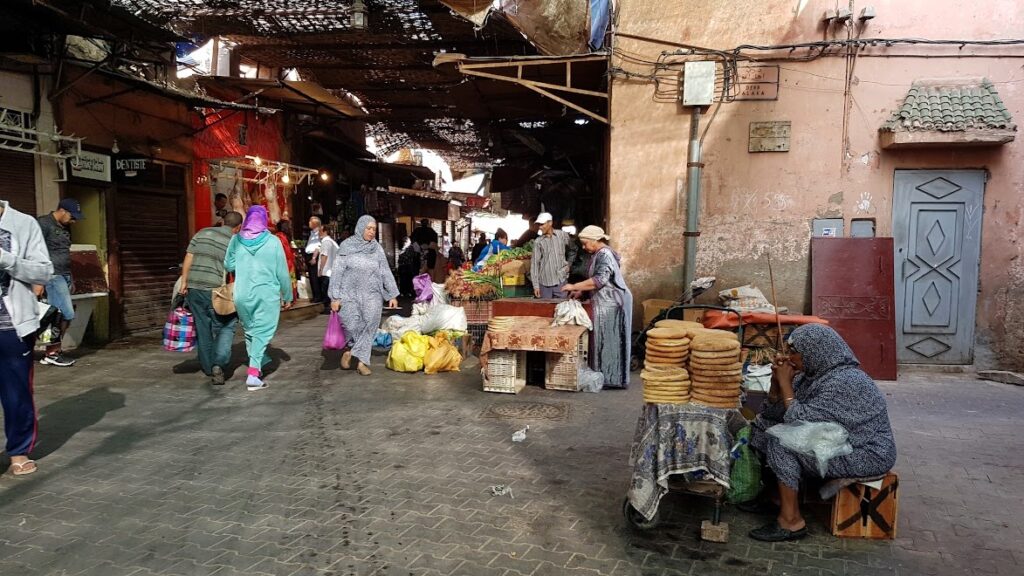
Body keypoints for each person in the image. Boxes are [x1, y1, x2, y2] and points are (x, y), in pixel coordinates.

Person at [745, 323, 897, 542]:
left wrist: (786, 384)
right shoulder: (812, 376)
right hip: (835, 440)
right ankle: (776, 498)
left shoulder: (846, 381)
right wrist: (776, 385)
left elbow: (799, 419)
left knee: (782, 443)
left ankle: (791, 521)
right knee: (761, 428)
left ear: (815, 352)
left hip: (866, 451)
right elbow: (773, 413)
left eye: (794, 353)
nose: (789, 358)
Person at [0, 199, 53, 476]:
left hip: (11, 326)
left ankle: (18, 450)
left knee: (16, 392)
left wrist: (7, 259)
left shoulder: (22, 223)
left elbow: (44, 271)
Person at [224, 206, 293, 391]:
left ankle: (259, 362)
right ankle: (253, 374)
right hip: (266, 294)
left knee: (250, 330)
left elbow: (228, 264)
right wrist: (287, 295)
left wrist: (243, 263)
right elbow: (282, 273)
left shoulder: (236, 240)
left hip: (242, 293)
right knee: (262, 332)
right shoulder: (273, 242)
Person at [561, 225, 632, 389]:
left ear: (595, 241)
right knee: (604, 342)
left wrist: (573, 286)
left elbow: (599, 280)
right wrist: (581, 292)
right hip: (606, 303)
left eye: (585, 244)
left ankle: (611, 379)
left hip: (613, 305)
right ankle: (605, 377)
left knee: (611, 343)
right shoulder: (599, 254)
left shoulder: (605, 255)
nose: (584, 248)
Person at [328, 215, 399, 377]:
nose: (372, 232)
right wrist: (335, 297)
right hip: (349, 294)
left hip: (372, 294)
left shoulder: (376, 248)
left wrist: (392, 294)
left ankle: (362, 362)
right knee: (352, 326)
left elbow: (385, 271)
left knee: (370, 325)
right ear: (360, 228)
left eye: (374, 229)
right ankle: (350, 350)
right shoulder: (346, 246)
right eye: (368, 228)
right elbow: (337, 272)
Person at [178, 211, 242, 385]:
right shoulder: (234, 241)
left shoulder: (202, 232)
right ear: (238, 227)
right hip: (216, 291)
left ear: (222, 222)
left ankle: (207, 367)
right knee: (225, 326)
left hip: (193, 287)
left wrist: (184, 282)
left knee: (202, 327)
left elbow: (189, 257)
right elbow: (234, 267)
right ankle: (218, 364)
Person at [36, 198, 83, 367]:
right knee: (64, 314)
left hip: (64, 276)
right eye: (73, 216)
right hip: (51, 275)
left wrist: (70, 277)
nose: (74, 221)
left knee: (57, 316)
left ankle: (52, 350)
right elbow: (33, 250)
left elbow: (63, 252)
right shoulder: (43, 224)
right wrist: (39, 280)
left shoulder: (64, 227)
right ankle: (52, 352)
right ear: (62, 210)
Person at [530, 212, 576, 299]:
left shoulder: (562, 235)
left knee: (561, 309)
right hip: (544, 283)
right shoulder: (538, 242)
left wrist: (569, 264)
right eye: (539, 224)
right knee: (545, 310)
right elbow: (534, 265)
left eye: (542, 224)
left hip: (561, 281)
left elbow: (573, 249)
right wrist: (536, 286)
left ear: (550, 223)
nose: (540, 227)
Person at [273, 220, 297, 300]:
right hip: (290, 261)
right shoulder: (288, 236)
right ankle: (292, 297)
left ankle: (285, 299)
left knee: (283, 280)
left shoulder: (278, 236)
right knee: (291, 280)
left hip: (283, 261)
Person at [317, 225, 338, 314]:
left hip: (327, 271)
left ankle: (327, 308)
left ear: (325, 231)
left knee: (325, 291)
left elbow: (324, 256)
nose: (318, 233)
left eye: (320, 231)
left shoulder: (326, 242)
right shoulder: (332, 242)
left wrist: (320, 269)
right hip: (332, 270)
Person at [305, 216, 323, 303]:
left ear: (314, 223)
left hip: (314, 255)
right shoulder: (312, 233)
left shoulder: (319, 233)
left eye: (310, 222)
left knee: (315, 276)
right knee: (312, 277)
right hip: (309, 255)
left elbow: (318, 246)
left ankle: (318, 296)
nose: (308, 223)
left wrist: (314, 258)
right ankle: (315, 295)